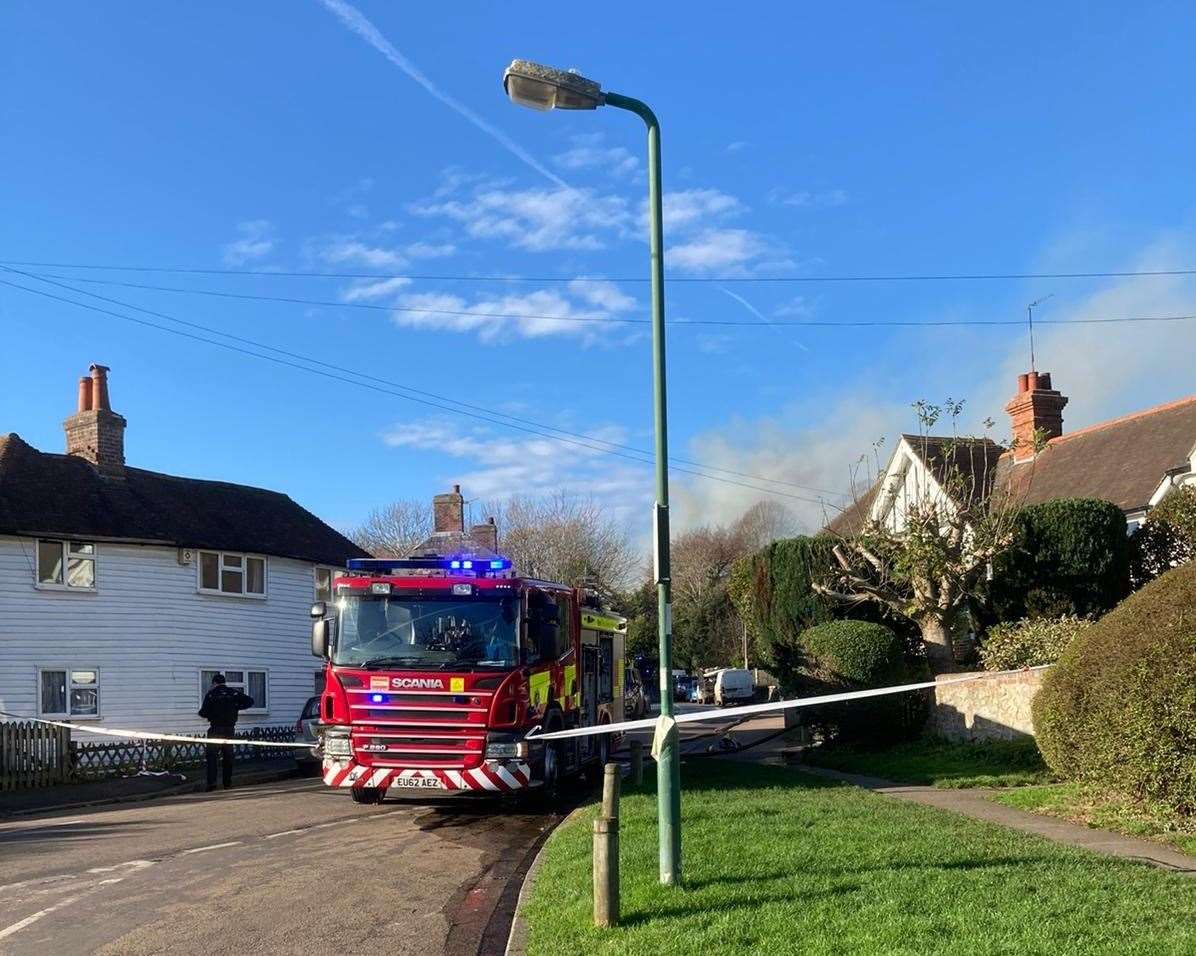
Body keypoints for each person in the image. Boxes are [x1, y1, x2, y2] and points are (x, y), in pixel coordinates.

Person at [198, 673, 254, 791]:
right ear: (224, 682)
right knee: (228, 756)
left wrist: (212, 713)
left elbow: (203, 712)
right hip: (229, 729)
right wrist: (236, 707)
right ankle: (227, 783)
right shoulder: (233, 693)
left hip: (215, 729)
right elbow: (250, 701)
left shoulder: (211, 694)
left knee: (212, 756)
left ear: (214, 683)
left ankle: (212, 784)